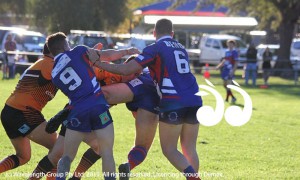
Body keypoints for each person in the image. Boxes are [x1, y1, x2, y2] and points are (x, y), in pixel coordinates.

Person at [91, 18, 202, 180]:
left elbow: (128, 69)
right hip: (195, 98)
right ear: (172, 34)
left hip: (173, 100)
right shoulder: (181, 47)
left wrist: (99, 64)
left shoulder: (155, 48)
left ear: (154, 33)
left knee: (169, 150)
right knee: (189, 147)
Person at [29, 55, 160, 180]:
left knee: (98, 148)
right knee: (58, 154)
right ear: (125, 66)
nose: (133, 77)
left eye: (137, 75)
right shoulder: (108, 70)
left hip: (92, 115)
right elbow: (84, 74)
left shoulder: (128, 87)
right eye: (133, 73)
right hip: (76, 111)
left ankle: (76, 177)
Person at [46, 32, 139, 180]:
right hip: (98, 106)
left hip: (77, 111)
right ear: (65, 45)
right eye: (68, 44)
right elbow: (106, 56)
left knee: (67, 156)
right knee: (107, 152)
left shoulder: (54, 74)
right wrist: (127, 51)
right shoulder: (78, 51)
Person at [0, 44, 58, 174]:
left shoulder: (45, 63)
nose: (68, 50)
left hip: (10, 111)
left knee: (23, 156)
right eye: (66, 47)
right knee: (58, 147)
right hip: (23, 112)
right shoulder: (50, 63)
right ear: (56, 50)